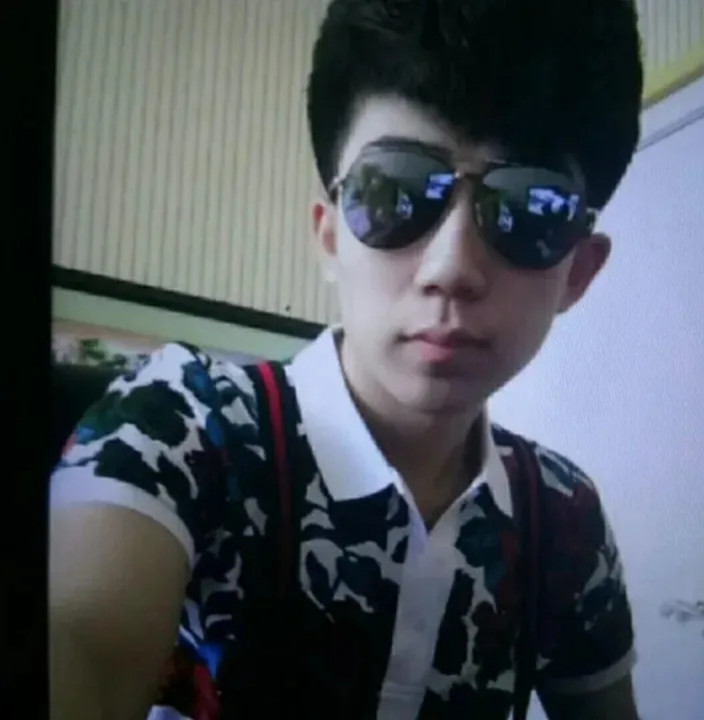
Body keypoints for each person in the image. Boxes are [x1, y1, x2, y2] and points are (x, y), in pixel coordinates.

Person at [49, 0, 644, 718]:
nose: (451, 268)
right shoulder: (181, 424)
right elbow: (79, 639)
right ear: (329, 236)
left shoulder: (563, 517)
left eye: (531, 210)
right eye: (393, 191)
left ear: (579, 272)